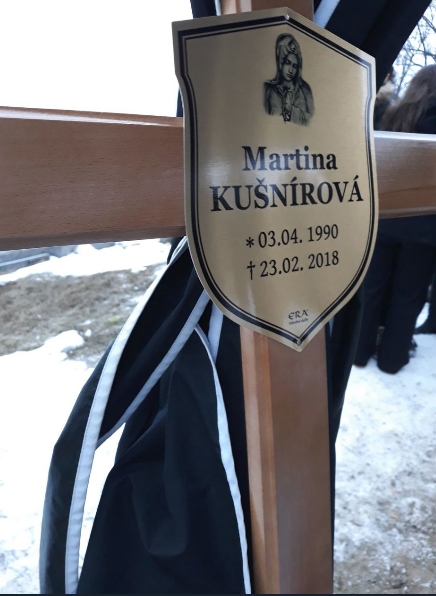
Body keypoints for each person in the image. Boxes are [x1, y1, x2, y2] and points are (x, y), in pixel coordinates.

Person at [354, 64, 436, 374]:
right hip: (425, 227)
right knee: (408, 296)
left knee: (372, 289)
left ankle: (359, 351)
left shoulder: (393, 114)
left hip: (385, 218)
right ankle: (392, 358)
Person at [264, 33, 314, 125]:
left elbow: (312, 122)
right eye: (287, 62)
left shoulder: (305, 90)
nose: (291, 70)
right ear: (280, 62)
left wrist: (291, 109)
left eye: (294, 66)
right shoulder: (269, 90)